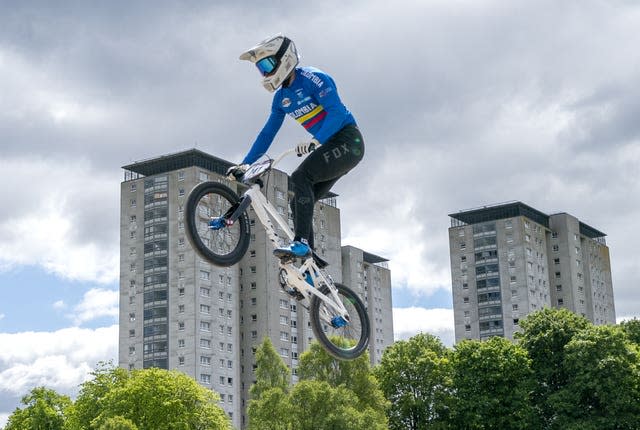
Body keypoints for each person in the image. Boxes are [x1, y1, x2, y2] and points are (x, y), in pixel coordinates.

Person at [227, 34, 365, 261]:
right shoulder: (281, 98)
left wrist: (316, 140)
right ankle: (310, 265)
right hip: (330, 145)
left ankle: (301, 244)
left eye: (267, 65)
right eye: (261, 69)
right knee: (298, 201)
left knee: (301, 177)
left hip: (348, 142)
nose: (265, 73)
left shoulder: (313, 78)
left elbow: (337, 112)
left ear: (285, 59)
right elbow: (267, 133)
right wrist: (245, 163)